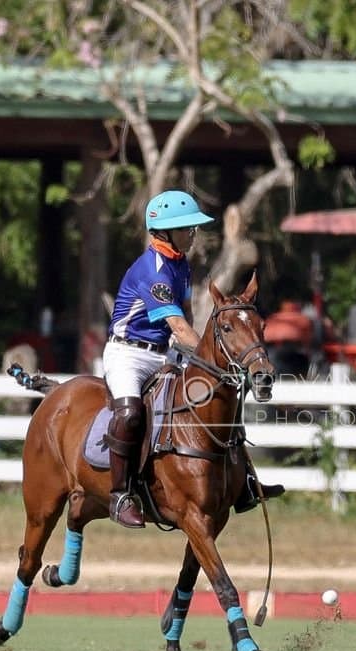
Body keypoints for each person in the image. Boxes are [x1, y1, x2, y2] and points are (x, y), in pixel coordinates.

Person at [101, 189, 284, 527]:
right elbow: (178, 326)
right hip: (128, 354)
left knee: (216, 396)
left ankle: (242, 482)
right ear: (164, 232)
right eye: (187, 228)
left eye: (193, 227)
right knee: (129, 414)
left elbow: (185, 317)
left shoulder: (180, 265)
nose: (193, 233)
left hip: (164, 352)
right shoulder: (152, 271)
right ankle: (120, 494)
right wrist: (209, 358)